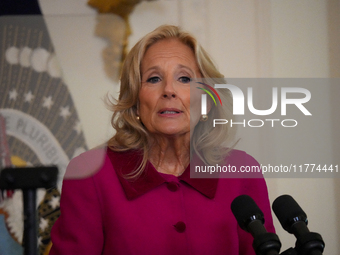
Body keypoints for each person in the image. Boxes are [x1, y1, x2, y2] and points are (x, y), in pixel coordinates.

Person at [49, 25, 275, 255]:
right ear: (135, 99)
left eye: (184, 78)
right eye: (154, 78)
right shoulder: (91, 174)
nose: (169, 90)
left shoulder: (241, 172)